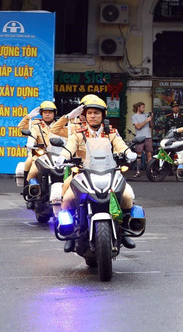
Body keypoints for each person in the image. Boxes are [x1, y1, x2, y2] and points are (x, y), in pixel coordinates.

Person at [59, 95, 139, 252]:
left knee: (128, 196)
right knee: (67, 198)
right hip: (82, 173)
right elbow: (69, 147)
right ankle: (71, 234)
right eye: (89, 113)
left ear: (103, 115)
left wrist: (128, 153)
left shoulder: (111, 132)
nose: (93, 116)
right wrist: (63, 156)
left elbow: (120, 145)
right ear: (85, 115)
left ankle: (123, 232)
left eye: (96, 113)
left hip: (110, 173)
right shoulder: (78, 133)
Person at [131, 102, 153, 178]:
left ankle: (150, 171)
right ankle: (138, 171)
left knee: (149, 154)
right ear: (138, 108)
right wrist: (146, 120)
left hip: (148, 136)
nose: (144, 109)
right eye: (142, 107)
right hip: (140, 137)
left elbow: (151, 126)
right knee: (139, 155)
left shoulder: (146, 115)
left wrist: (150, 119)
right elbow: (138, 127)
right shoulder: (135, 116)